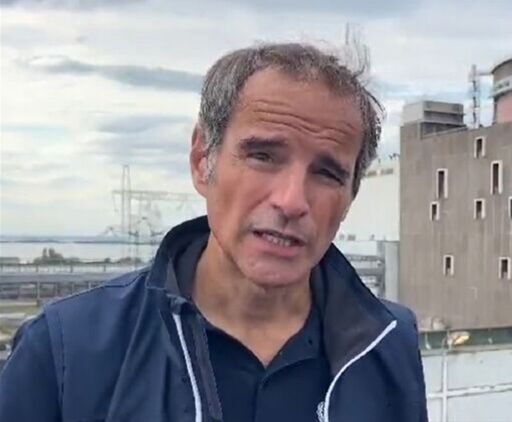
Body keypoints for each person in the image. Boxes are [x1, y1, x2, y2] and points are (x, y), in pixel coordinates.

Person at [0, 43, 428, 422]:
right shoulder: (66, 351)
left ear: (350, 196)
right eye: (263, 156)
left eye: (327, 174)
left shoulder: (388, 345)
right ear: (202, 159)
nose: (292, 201)